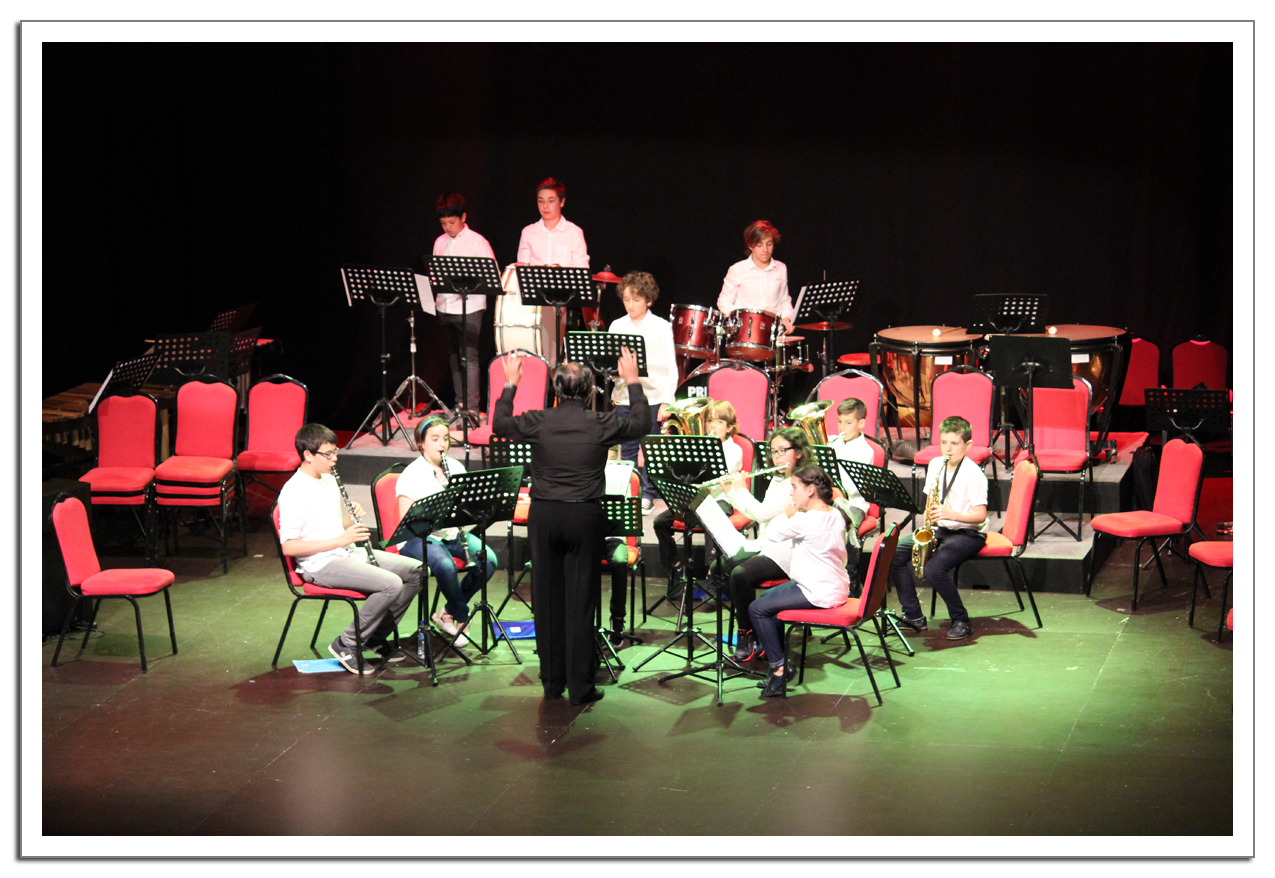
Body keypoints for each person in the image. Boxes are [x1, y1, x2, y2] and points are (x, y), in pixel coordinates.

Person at [493, 347, 649, 705]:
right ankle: (580, 687)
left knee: (546, 600)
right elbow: (641, 424)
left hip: (545, 516)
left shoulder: (539, 420)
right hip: (583, 517)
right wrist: (633, 382)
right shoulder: (600, 423)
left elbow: (500, 424)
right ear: (591, 390)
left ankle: (552, 683)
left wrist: (510, 384)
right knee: (581, 601)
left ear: (556, 390)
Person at [276, 424, 422, 674]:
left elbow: (331, 527)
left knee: (416, 571)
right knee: (391, 584)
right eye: (328, 454)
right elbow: (289, 547)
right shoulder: (294, 491)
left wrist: (349, 520)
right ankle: (347, 643)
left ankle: (375, 638)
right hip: (320, 564)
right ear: (308, 455)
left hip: (346, 553)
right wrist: (341, 539)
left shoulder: (328, 478)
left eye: (336, 452)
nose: (334, 458)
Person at [691, 426, 813, 663]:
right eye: (773, 452)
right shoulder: (778, 479)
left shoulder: (797, 482)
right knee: (718, 569)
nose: (777, 457)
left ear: (798, 453)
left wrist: (739, 490)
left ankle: (746, 631)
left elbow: (761, 513)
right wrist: (731, 491)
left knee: (740, 574)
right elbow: (760, 513)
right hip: (768, 544)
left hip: (788, 551)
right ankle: (756, 626)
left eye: (783, 451)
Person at [746, 465, 852, 697]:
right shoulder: (834, 513)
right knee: (767, 600)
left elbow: (771, 534)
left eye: (794, 487)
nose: (791, 493)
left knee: (757, 609)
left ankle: (779, 669)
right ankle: (779, 662)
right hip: (833, 585)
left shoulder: (806, 520)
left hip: (818, 591)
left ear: (810, 490)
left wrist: (787, 512)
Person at [395, 416, 498, 649]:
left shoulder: (456, 467)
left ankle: (447, 612)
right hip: (419, 538)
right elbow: (406, 522)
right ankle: (461, 617)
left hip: (451, 534)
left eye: (446, 439)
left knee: (488, 560)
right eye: (435, 439)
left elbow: (466, 507)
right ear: (421, 443)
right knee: (445, 565)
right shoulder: (411, 474)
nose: (442, 444)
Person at [890, 415, 989, 641]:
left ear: (968, 445)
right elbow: (930, 500)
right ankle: (913, 615)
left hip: (969, 532)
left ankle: (961, 620)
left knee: (934, 570)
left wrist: (950, 514)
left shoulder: (974, 474)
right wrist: (929, 521)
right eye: (944, 442)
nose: (948, 448)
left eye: (954, 443)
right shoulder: (936, 464)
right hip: (941, 527)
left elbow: (980, 516)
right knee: (894, 554)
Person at [651, 399, 743, 585]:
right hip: (695, 499)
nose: (712, 426)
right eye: (709, 421)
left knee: (711, 519)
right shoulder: (697, 447)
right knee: (660, 522)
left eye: (719, 422)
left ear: (729, 427)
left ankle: (713, 574)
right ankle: (676, 568)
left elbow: (716, 483)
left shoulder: (734, 450)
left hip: (720, 500)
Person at [608, 270, 677, 512]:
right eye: (626, 299)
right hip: (625, 396)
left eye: (636, 300)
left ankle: (647, 493)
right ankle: (628, 491)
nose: (630, 305)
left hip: (653, 396)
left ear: (648, 300)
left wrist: (668, 401)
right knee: (627, 447)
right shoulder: (617, 325)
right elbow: (611, 364)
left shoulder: (661, 326)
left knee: (650, 447)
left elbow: (671, 367)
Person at [432, 192, 497, 414]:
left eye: (452, 222)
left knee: (469, 356)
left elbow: (492, 275)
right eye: (443, 224)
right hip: (445, 306)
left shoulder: (477, 242)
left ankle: (471, 408)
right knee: (453, 356)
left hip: (470, 308)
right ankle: (460, 404)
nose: (447, 228)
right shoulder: (440, 242)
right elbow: (436, 276)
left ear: (463, 217)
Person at [717, 220, 795, 335]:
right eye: (759, 245)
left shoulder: (781, 268)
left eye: (769, 244)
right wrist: (740, 320)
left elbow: (784, 301)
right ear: (750, 245)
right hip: (746, 334)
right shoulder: (737, 269)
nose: (765, 250)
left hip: (773, 334)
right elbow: (724, 301)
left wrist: (787, 318)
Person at [828, 397, 874, 576]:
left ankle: (850, 578)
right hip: (829, 501)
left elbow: (853, 489)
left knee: (844, 524)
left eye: (848, 423)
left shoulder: (865, 451)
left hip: (854, 505)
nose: (842, 428)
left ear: (861, 423)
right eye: (839, 421)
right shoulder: (831, 442)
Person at [516, 177, 589, 268]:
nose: (545, 206)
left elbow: (581, 268)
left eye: (551, 201)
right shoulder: (528, 232)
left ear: (562, 202)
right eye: (541, 201)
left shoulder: (574, 232)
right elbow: (522, 268)